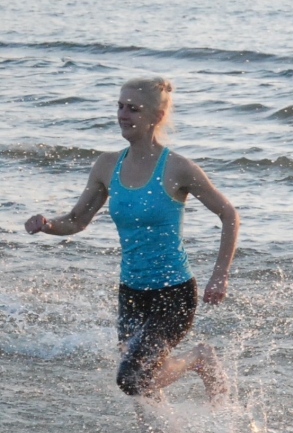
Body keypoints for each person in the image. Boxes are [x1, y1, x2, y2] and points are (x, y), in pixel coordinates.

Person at [24, 77, 239, 404]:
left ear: (157, 116)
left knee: (132, 377)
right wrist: (47, 224)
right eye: (120, 106)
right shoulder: (107, 165)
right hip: (131, 293)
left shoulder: (178, 168)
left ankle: (199, 358)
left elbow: (228, 214)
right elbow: (77, 221)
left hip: (174, 293)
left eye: (133, 109)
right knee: (142, 388)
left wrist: (220, 275)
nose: (123, 114)